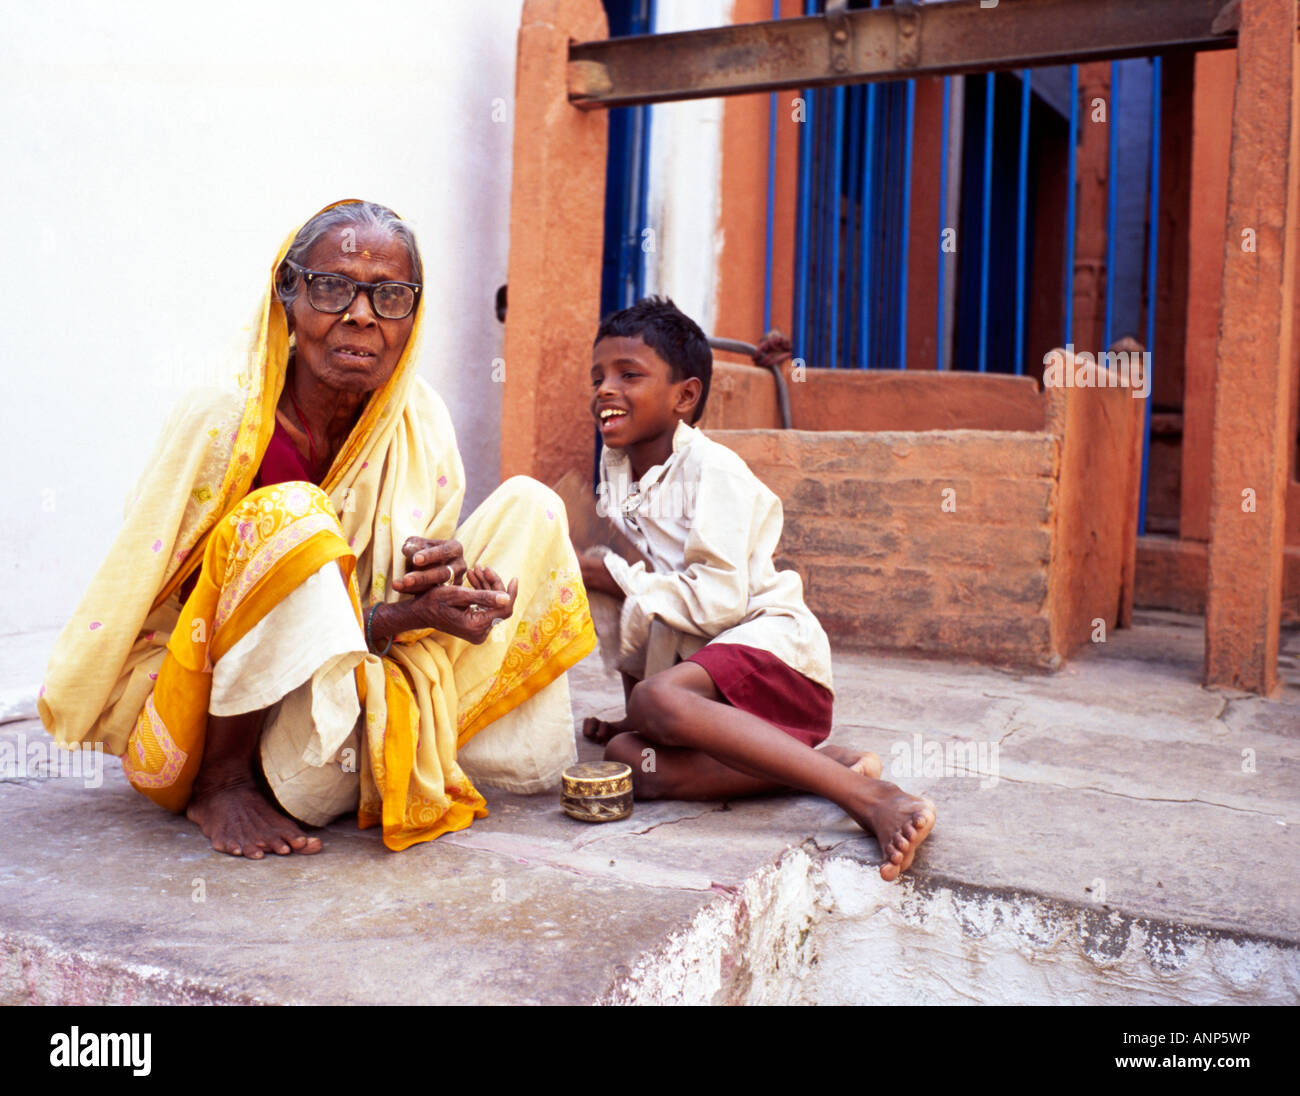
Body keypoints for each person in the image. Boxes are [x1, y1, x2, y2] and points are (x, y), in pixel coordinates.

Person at [38, 200, 595, 859]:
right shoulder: (227, 416)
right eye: (333, 287)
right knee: (293, 514)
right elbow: (195, 615)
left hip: (344, 714)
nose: (361, 314)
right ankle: (221, 788)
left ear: (412, 317)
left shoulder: (420, 421)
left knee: (533, 505)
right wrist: (387, 616)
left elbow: (393, 604)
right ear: (287, 295)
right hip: (222, 716)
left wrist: (452, 590)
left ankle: (408, 754)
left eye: (389, 296)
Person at [577, 297, 935, 881]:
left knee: (653, 690)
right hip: (714, 687)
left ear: (685, 397)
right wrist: (633, 714)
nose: (605, 390)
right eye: (598, 377)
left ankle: (868, 798)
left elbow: (717, 599)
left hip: (777, 665)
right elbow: (650, 600)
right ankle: (817, 763)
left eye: (628, 375)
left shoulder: (713, 470)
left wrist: (612, 576)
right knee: (629, 760)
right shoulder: (618, 472)